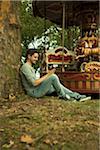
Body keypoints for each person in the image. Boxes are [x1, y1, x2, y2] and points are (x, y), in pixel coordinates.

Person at [20, 49, 91, 102]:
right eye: (35, 57)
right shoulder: (25, 67)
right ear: (29, 56)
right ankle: (63, 96)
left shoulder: (30, 67)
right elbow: (34, 83)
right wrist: (49, 74)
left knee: (57, 85)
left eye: (37, 57)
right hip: (34, 92)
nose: (36, 59)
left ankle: (78, 96)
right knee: (53, 77)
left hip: (37, 89)